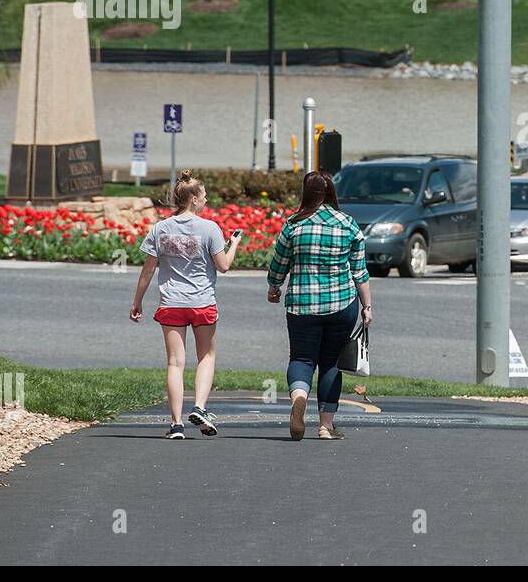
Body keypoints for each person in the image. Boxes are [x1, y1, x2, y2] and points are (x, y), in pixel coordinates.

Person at [130, 170, 241, 439]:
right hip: (202, 302)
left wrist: (137, 302)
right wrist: (234, 244)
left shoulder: (160, 229)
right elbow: (223, 266)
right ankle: (200, 407)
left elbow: (148, 271)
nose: (206, 200)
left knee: (174, 363)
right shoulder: (210, 228)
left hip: (171, 303)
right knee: (206, 356)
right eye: (203, 196)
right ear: (193, 198)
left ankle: (176, 423)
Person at [267, 171, 373, 441]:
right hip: (341, 304)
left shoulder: (294, 224)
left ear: (306, 193)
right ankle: (326, 426)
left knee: (301, 358)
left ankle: (299, 398)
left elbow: (280, 262)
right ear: (331, 192)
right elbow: (359, 272)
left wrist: (274, 286)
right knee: (330, 363)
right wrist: (367, 306)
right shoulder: (348, 224)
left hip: (302, 304)